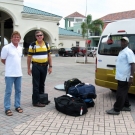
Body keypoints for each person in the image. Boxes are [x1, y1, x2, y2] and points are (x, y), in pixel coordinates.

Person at [106, 37, 135, 115]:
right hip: (120, 76)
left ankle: (116, 109)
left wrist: (131, 77)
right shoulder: (121, 52)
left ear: (127, 43)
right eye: (121, 41)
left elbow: (132, 64)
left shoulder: (129, 52)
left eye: (124, 41)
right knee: (123, 93)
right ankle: (126, 106)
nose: (122, 42)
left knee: (120, 94)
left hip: (125, 77)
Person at [27, 30, 52, 107]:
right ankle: (36, 101)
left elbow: (49, 56)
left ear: (43, 36)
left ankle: (42, 99)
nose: (39, 37)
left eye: (40, 35)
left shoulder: (47, 45)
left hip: (44, 66)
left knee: (42, 83)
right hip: (36, 66)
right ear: (36, 37)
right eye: (37, 36)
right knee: (36, 84)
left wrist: (50, 66)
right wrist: (28, 68)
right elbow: (29, 57)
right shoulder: (33, 45)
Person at [1, 31, 23, 116]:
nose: (16, 38)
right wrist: (9, 66)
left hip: (19, 73)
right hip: (10, 74)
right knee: (8, 91)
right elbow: (3, 59)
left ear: (19, 39)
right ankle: (7, 108)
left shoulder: (20, 48)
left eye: (18, 37)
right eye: (15, 37)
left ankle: (17, 106)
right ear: (11, 38)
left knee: (18, 91)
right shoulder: (6, 48)